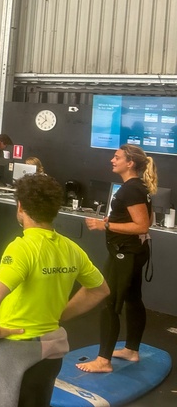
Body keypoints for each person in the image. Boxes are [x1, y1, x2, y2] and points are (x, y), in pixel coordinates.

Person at [0, 174, 109, 407]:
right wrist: (59, 315)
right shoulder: (72, 249)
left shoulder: (22, 248)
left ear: (20, 206)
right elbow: (99, 290)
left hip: (17, 348)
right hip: (53, 347)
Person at [77, 144, 157, 374]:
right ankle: (131, 350)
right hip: (131, 252)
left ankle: (103, 361)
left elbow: (142, 225)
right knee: (132, 298)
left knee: (109, 302)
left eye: (117, 157)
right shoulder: (137, 187)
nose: (112, 160)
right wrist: (113, 220)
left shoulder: (131, 189)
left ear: (130, 163)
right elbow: (143, 219)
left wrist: (106, 225)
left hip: (126, 254)